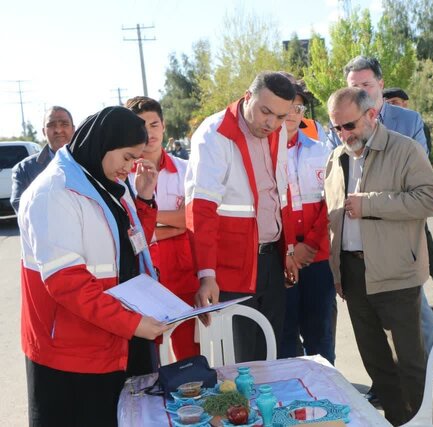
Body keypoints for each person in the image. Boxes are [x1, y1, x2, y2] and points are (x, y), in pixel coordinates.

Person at [18, 106, 170, 426]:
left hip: (114, 338)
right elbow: (67, 284)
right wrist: (134, 325)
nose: (130, 168)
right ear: (104, 143)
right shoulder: (55, 191)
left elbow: (126, 244)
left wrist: (142, 200)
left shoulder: (103, 181)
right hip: (71, 355)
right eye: (128, 157)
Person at [325, 87, 433, 425]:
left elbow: (429, 199)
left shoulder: (405, 150)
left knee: (411, 364)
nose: (344, 135)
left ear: (372, 115)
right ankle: (397, 421)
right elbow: (333, 220)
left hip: (396, 274)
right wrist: (337, 271)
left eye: (349, 126)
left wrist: (371, 204)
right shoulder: (336, 158)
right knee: (377, 364)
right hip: (352, 273)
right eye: (337, 128)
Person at [185, 72, 298, 362]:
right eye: (265, 111)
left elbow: (278, 193)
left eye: (280, 117)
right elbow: (201, 210)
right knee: (239, 364)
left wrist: (288, 249)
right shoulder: (214, 134)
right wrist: (207, 276)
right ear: (247, 97)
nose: (271, 123)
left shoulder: (278, 131)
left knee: (271, 353)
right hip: (231, 270)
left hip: (272, 262)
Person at [126, 96, 200, 360]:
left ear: (164, 126)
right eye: (141, 126)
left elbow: (191, 219)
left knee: (188, 356)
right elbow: (130, 229)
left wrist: (150, 221)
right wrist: (171, 225)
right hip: (143, 276)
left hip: (183, 274)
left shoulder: (186, 169)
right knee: (148, 358)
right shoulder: (122, 175)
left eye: (154, 124)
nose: (149, 132)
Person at [382, 87, 433, 313]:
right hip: (398, 200)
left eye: (395, 101)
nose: (392, 106)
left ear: (405, 103)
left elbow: (420, 159)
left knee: (423, 245)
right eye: (388, 102)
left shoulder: (415, 124)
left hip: (415, 196)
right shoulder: (385, 125)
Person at [278, 80, 335, 364]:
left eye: (297, 107)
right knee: (285, 337)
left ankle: (330, 401)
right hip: (280, 262)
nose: (291, 113)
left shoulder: (321, 151)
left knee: (320, 336)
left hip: (318, 258)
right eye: (286, 107)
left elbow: (331, 204)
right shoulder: (262, 153)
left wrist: (309, 245)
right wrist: (289, 250)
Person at [11, 106, 75, 212]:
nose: (58, 130)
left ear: (73, 129)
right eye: (51, 125)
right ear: (44, 132)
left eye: (64, 124)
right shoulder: (24, 169)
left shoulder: (90, 162)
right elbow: (20, 205)